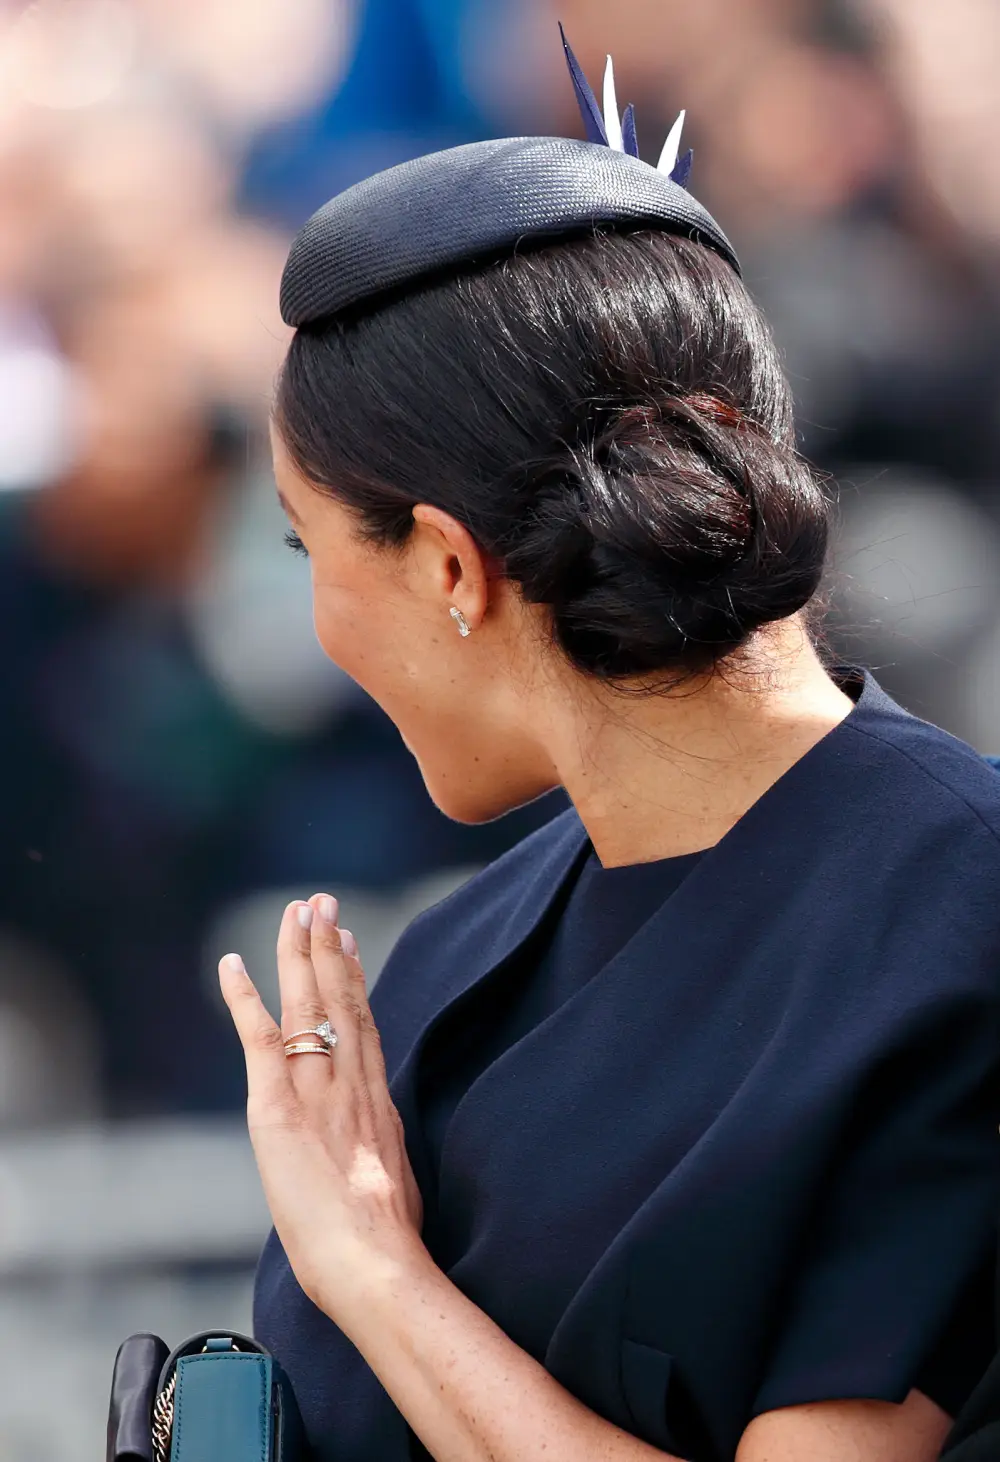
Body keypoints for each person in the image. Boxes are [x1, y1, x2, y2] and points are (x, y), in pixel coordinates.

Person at [216, 32, 1000, 1462]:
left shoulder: (964, 912)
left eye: (302, 541)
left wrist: (378, 1273)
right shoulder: (455, 960)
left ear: (450, 567)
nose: (309, 613)